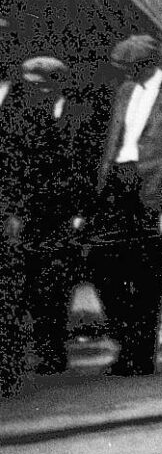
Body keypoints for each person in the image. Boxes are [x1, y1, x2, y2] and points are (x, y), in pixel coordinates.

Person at [92, 35, 162, 376]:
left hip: (153, 190)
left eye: (130, 69)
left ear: (148, 66)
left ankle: (139, 354)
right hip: (118, 184)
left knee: (148, 277)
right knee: (104, 266)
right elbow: (113, 140)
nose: (125, 75)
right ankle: (125, 339)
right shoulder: (125, 90)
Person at [0, 57, 95, 391]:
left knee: (50, 286)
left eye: (41, 83)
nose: (34, 89)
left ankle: (50, 352)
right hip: (25, 212)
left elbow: (72, 166)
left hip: (50, 213)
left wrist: (76, 210)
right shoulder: (21, 113)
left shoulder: (66, 114)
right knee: (24, 286)